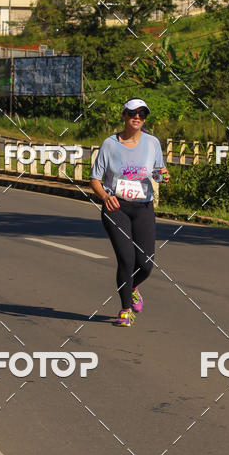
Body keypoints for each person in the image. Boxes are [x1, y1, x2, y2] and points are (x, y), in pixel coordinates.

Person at [90, 98, 170, 326]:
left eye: (142, 114)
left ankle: (131, 286)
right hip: (116, 207)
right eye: (133, 113)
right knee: (127, 258)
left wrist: (162, 175)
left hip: (143, 207)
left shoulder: (152, 143)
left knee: (145, 263)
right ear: (124, 115)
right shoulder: (109, 144)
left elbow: (156, 172)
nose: (137, 117)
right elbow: (95, 180)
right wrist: (106, 197)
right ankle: (125, 309)